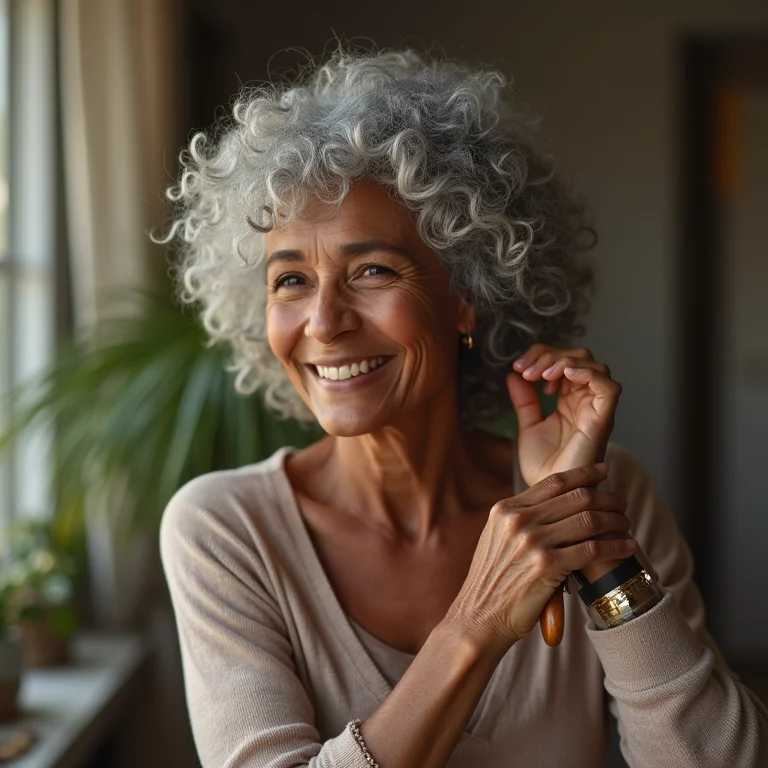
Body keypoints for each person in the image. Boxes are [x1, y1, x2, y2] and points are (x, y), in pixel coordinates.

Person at [158, 48, 768, 767]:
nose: (323, 321)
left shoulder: (607, 492)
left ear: (468, 293)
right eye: (290, 279)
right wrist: (480, 618)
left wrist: (585, 534)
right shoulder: (227, 529)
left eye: (373, 270)